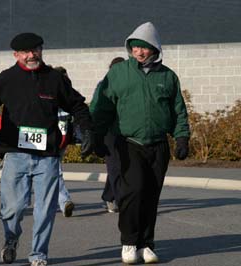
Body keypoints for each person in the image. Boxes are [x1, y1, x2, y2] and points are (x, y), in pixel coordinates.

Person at [0, 32, 94, 266]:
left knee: (45, 209)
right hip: (15, 153)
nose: (32, 55)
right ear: (16, 54)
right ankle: (11, 239)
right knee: (13, 208)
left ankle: (38, 254)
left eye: (36, 50)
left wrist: (87, 131)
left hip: (47, 156)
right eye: (26, 52)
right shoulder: (4, 79)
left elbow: (77, 105)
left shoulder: (54, 78)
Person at [90, 22, 190, 264]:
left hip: (157, 145)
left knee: (150, 195)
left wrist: (181, 137)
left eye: (144, 48)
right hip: (128, 142)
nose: (139, 52)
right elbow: (101, 107)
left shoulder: (168, 77)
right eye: (135, 47)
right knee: (133, 192)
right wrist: (95, 136)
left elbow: (178, 111)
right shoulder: (118, 73)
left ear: (154, 48)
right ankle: (129, 241)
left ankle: (146, 244)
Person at [99, 57, 125, 213]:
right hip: (109, 132)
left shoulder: (128, 84)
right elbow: (98, 110)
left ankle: (109, 196)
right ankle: (121, 200)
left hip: (125, 132)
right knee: (115, 166)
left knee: (122, 166)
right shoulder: (104, 86)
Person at [53, 66, 75, 217]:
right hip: (50, 141)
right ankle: (64, 201)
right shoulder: (50, 97)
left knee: (53, 172)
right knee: (55, 172)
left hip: (63, 141)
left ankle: (53, 201)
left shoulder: (69, 98)